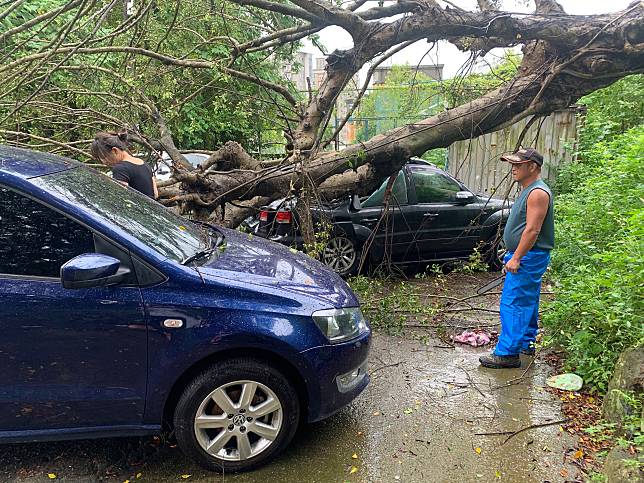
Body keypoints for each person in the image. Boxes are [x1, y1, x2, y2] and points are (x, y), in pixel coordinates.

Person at [479, 148, 554, 369]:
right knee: (528, 299)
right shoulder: (528, 189)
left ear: (533, 167)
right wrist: (513, 255)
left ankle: (507, 353)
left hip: (530, 255)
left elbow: (532, 230)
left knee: (514, 302)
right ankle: (525, 343)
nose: (513, 168)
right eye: (512, 164)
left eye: (518, 165)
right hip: (527, 255)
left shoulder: (537, 193)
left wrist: (517, 257)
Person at [90, 131, 158, 199]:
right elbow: (155, 194)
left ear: (114, 151)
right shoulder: (144, 163)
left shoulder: (120, 168)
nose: (103, 162)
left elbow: (120, 198)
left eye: (104, 157)